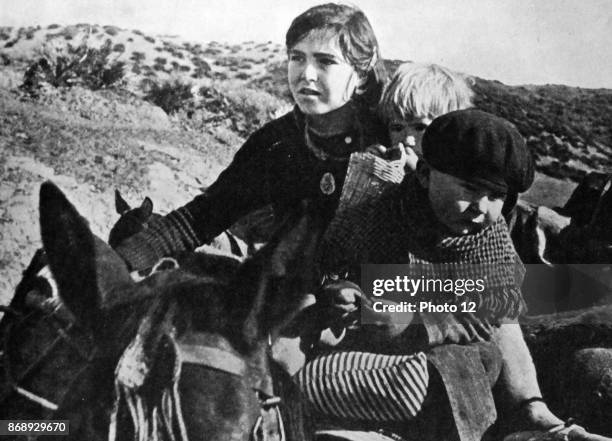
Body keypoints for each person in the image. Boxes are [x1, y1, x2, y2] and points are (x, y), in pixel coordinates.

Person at [299, 109, 607, 441]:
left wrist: (415, 320)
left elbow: (495, 312)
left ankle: (529, 418)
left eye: (496, 196)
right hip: (365, 353)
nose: (482, 206)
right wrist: (340, 292)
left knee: (471, 358)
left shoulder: (489, 235)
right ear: (425, 174)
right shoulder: (374, 211)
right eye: (471, 189)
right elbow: (327, 273)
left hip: (437, 352)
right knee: (450, 366)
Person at [114, 3, 390, 270]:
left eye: (325, 62)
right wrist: (113, 266)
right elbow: (202, 218)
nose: (306, 74)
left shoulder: (391, 140)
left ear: (361, 75)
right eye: (297, 57)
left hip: (389, 299)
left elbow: (425, 255)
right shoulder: (275, 142)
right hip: (297, 296)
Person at [377, 62, 474, 172]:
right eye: (397, 128)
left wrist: (417, 173)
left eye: (420, 128)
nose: (407, 141)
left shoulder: (454, 176)